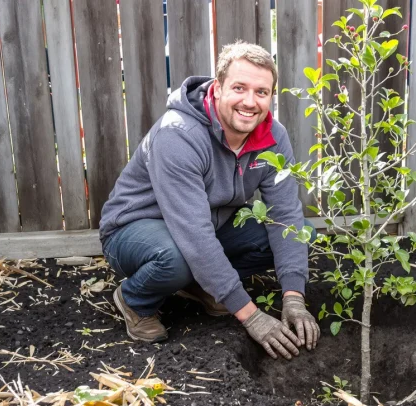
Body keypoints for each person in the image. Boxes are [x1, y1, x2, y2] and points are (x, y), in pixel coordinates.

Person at [99, 41, 319, 360]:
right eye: (239, 88)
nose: (250, 101)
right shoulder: (178, 135)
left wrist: (294, 297)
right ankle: (134, 299)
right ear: (217, 89)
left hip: (207, 226)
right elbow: (195, 237)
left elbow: (285, 214)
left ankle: (201, 285)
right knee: (178, 258)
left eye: (261, 92)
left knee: (302, 233)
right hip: (134, 231)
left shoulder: (273, 137)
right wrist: (252, 316)